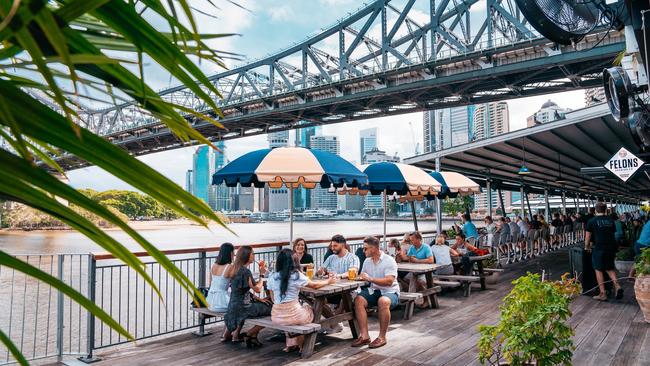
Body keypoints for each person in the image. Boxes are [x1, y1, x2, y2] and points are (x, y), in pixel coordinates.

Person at [267, 248, 335, 353]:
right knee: (310, 310)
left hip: (276, 316)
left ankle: (291, 344)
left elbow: (273, 299)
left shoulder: (272, 277)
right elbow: (315, 285)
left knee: (291, 317)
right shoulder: (296, 275)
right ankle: (302, 346)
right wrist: (329, 281)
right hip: (294, 316)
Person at [352, 236, 400, 349]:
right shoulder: (367, 261)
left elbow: (389, 281)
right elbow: (364, 276)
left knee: (383, 301)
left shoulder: (389, 260)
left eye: (365, 248)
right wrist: (357, 277)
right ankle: (364, 336)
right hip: (374, 290)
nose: (363, 251)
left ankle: (382, 337)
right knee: (358, 300)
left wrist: (371, 279)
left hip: (390, 291)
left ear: (373, 248)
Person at [223, 246, 272, 346]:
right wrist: (262, 275)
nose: (254, 256)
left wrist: (259, 299)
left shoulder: (234, 269)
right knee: (273, 308)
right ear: (247, 256)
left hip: (232, 306)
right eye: (252, 254)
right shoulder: (246, 272)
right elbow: (258, 289)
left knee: (265, 302)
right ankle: (251, 334)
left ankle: (247, 336)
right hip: (245, 308)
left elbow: (241, 290)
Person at [585, 202, 623, 301]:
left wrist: (586, 247)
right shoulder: (610, 220)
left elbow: (588, 237)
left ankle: (603, 293)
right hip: (611, 247)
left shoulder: (591, 221)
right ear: (605, 210)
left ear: (596, 210)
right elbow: (613, 234)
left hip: (599, 248)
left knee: (598, 269)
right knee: (609, 268)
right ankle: (617, 286)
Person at [206, 243, 234, 341]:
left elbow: (211, 284)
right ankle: (228, 333)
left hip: (210, 301)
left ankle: (228, 333)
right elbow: (235, 284)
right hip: (221, 303)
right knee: (238, 306)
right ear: (230, 253)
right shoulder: (229, 267)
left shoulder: (213, 265)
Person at [405, 231, 434, 307]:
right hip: (414, 271)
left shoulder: (426, 247)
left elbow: (431, 260)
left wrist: (418, 261)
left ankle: (423, 300)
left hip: (425, 272)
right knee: (403, 278)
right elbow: (408, 258)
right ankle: (409, 299)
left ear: (419, 239)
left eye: (412, 240)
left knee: (420, 281)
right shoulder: (412, 248)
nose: (411, 242)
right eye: (410, 240)